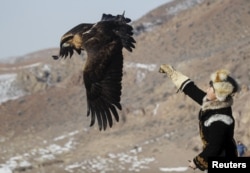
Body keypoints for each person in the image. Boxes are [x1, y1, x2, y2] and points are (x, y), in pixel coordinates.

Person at [159, 64, 239, 171]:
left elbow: (214, 148)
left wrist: (196, 162)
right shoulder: (213, 104)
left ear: (219, 94)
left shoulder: (220, 120)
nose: (207, 89)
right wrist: (173, 74)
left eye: (211, 88)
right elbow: (192, 90)